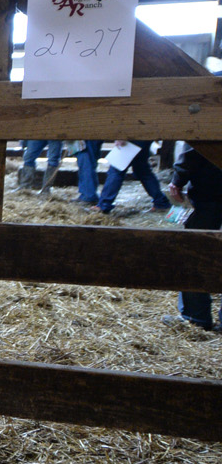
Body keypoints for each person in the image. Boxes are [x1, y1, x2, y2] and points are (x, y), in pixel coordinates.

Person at [166, 142, 222, 330]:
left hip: (210, 189)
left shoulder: (211, 112)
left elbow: (198, 141)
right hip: (210, 188)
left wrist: (178, 177)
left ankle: (195, 316)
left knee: (196, 252)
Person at [96, 140, 170, 213]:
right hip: (143, 136)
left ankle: (104, 205)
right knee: (142, 170)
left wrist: (121, 137)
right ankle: (161, 202)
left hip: (132, 137)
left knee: (117, 169)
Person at [71, 140, 103, 206]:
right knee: (86, 163)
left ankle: (89, 195)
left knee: (86, 163)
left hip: (85, 138)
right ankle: (86, 193)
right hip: (86, 138)